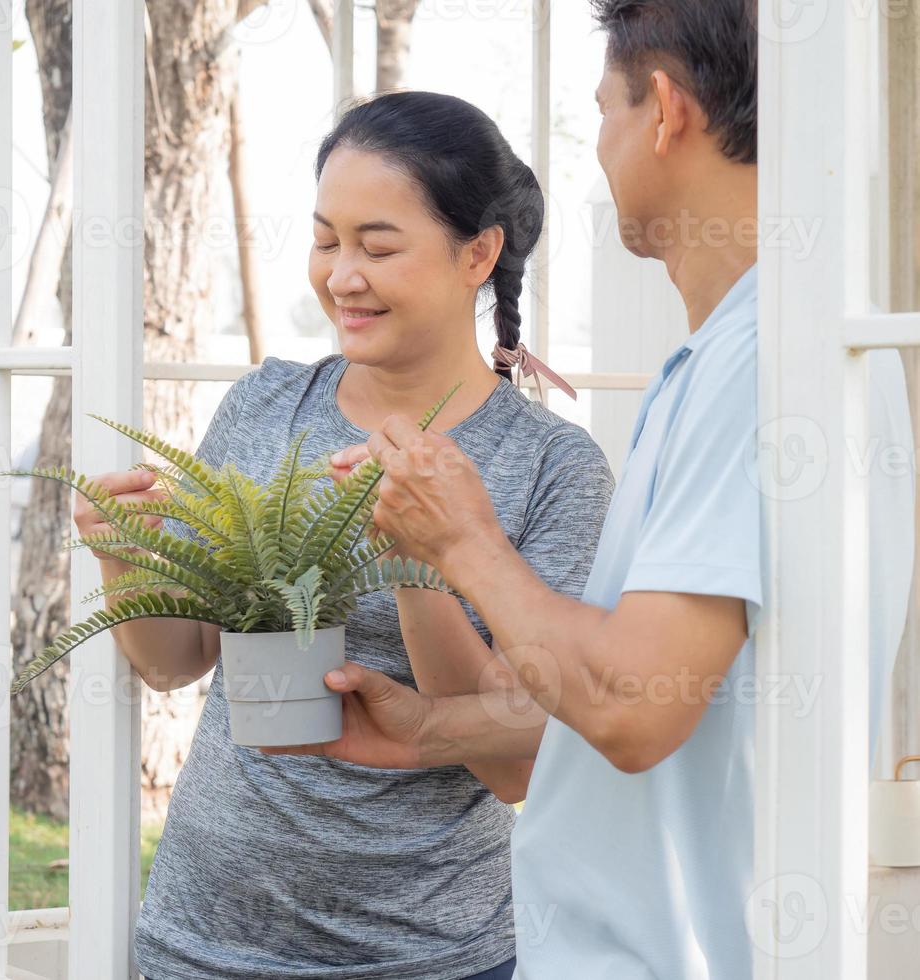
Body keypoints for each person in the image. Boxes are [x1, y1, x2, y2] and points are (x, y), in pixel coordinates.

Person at [271, 2, 915, 977]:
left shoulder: (760, 365)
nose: (600, 148)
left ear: (662, 112)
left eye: (604, 111)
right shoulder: (756, 350)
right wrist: (426, 726)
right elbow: (645, 684)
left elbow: (628, 704)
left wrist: (464, 541)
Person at [75, 91, 615, 979]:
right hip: (199, 942)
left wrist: (421, 556)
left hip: (428, 955)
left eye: (378, 245)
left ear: (478, 253)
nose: (340, 276)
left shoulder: (554, 466)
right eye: (326, 240)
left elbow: (520, 761)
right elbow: (176, 660)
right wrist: (123, 552)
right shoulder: (268, 406)